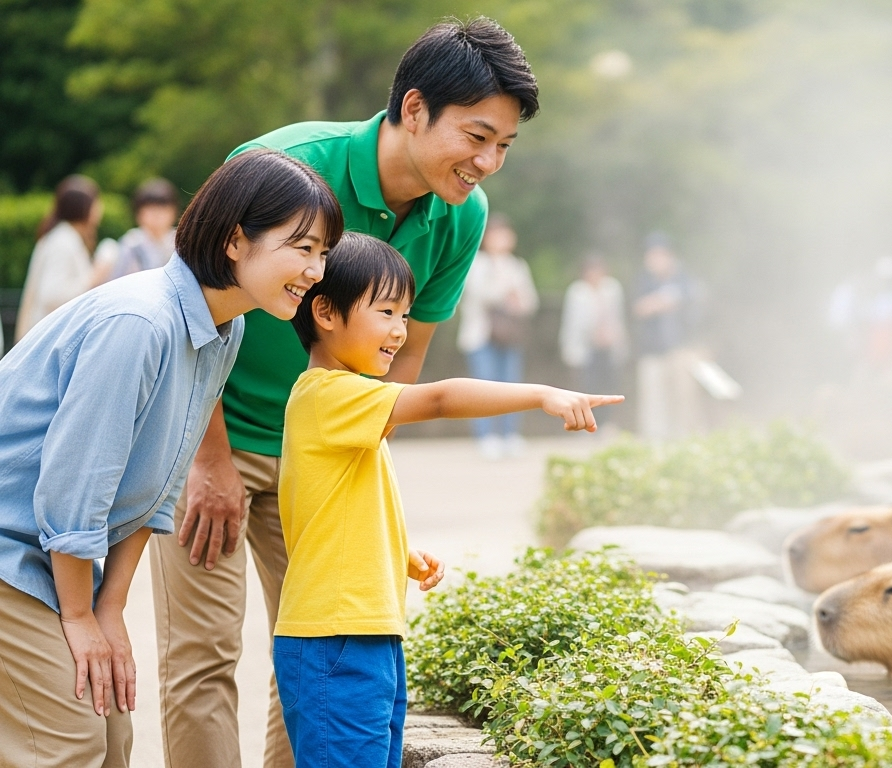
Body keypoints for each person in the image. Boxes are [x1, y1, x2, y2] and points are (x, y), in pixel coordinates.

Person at [149, 18, 540, 768]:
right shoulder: (280, 167)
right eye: (477, 136)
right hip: (212, 433)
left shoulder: (462, 217)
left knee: (317, 648)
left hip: (321, 454)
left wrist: (364, 495)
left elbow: (406, 361)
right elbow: (188, 319)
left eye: (504, 147)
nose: (489, 162)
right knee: (202, 656)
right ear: (416, 108)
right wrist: (209, 460)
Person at [0, 148, 341, 768]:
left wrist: (109, 611)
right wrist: (80, 617)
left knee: (111, 734)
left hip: (48, 555)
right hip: (11, 550)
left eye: (324, 252)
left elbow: (155, 491)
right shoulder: (141, 321)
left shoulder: (222, 327)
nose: (317, 269)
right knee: (67, 741)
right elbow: (74, 490)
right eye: (303, 247)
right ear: (237, 240)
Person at [277, 233, 619, 767]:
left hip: (363, 633)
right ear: (324, 311)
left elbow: (334, 507)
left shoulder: (350, 403)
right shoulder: (328, 394)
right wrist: (542, 394)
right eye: (386, 311)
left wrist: (397, 552)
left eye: (406, 316)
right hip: (335, 638)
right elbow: (438, 397)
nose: (399, 331)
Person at [456, 213, 539, 457]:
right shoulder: (476, 263)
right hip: (481, 335)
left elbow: (530, 301)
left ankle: (509, 435)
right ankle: (486, 436)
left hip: (509, 334)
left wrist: (516, 299)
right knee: (483, 383)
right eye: (495, 234)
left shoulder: (517, 265)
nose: (500, 239)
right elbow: (478, 294)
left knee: (512, 384)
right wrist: (506, 290)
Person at [15, 175, 112, 340]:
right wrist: (93, 277)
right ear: (83, 207)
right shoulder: (64, 241)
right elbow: (52, 295)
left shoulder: (63, 236)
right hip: (46, 337)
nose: (99, 208)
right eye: (96, 202)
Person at [632, 232, 703, 440]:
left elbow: (697, 308)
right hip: (651, 350)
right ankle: (655, 441)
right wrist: (657, 302)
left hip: (681, 349)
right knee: (653, 401)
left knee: (683, 398)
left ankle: (684, 438)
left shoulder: (685, 279)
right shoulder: (643, 281)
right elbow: (638, 308)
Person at [560, 253, 629, 427]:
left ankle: (607, 423)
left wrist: (616, 339)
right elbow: (573, 323)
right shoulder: (577, 292)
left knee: (609, 385)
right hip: (585, 348)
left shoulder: (612, 288)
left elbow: (617, 318)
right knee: (586, 386)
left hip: (608, 347)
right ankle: (585, 423)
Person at [98, 178, 179, 283]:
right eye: (150, 210)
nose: (156, 215)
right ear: (138, 214)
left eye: (162, 209)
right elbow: (118, 279)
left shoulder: (179, 241)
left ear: (174, 212)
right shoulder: (131, 242)